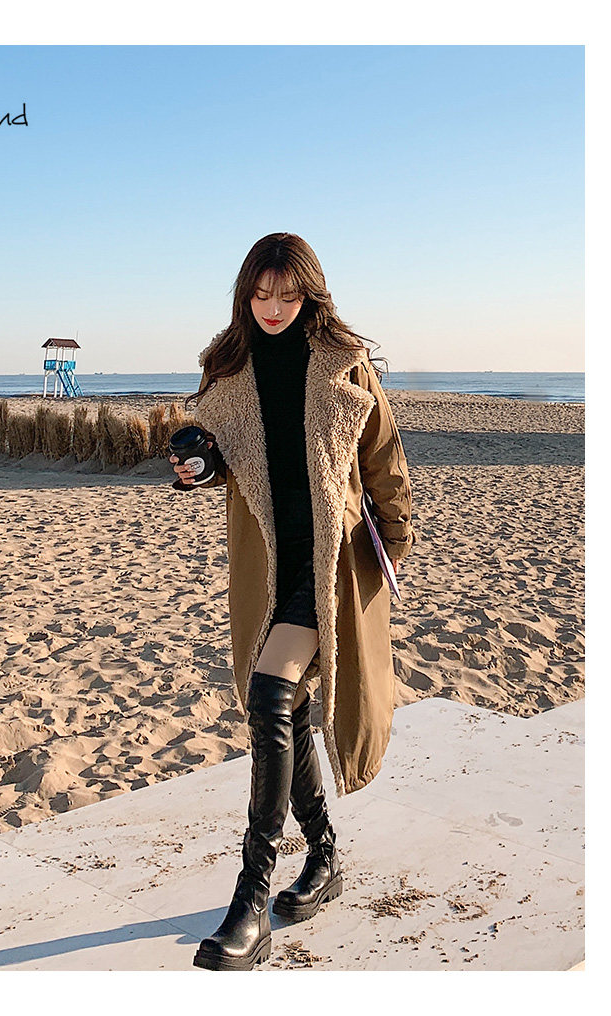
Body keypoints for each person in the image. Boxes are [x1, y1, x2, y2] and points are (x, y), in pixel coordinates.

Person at [169, 232, 416, 971]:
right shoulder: (226, 367)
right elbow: (223, 453)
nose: (274, 307)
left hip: (332, 563)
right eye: (261, 293)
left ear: (310, 293)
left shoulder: (345, 364)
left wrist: (392, 549)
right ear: (245, 295)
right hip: (268, 563)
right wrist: (198, 463)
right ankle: (325, 855)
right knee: (287, 705)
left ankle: (251, 897)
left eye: (288, 293)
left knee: (271, 693)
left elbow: (385, 462)